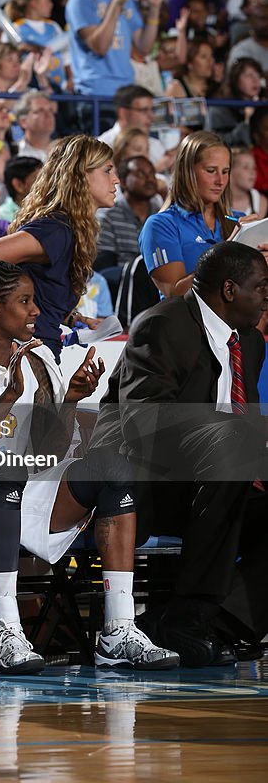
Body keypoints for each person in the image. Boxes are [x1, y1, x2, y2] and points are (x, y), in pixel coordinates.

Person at [0, 262, 179, 671]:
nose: (36, 310)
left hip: (17, 483)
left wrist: (68, 400)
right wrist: (5, 400)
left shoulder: (38, 357)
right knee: (3, 466)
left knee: (109, 466)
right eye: (24, 301)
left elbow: (47, 453)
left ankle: (118, 631)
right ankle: (5, 632)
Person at [89, 241, 268, 665]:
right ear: (229, 290)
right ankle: (189, 614)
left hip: (219, 483)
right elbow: (143, 424)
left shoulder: (251, 343)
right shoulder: (162, 325)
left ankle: (203, 622)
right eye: (261, 286)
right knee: (237, 440)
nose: (267, 295)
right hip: (148, 484)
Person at [0, 136, 118, 361]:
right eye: (108, 170)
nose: (116, 180)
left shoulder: (67, 228)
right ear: (81, 176)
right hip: (27, 357)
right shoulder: (56, 230)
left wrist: (70, 319)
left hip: (38, 352)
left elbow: (37, 289)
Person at [139, 131, 237, 299]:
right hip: (188, 323)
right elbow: (174, 294)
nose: (220, 181)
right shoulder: (161, 225)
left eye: (225, 171)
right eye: (211, 170)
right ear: (187, 172)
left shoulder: (238, 221)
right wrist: (232, 250)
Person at [66, 0, 165, 98]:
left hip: (126, 91)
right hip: (95, 92)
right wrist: (117, 4)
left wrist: (155, 8)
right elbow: (99, 47)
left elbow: (143, 48)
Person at [6, 0, 70, 92]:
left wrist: (71, 78)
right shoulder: (15, 28)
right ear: (34, 3)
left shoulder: (54, 26)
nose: (51, 4)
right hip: (31, 88)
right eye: (47, 0)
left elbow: (67, 56)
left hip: (59, 88)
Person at [210, 57, 266, 145]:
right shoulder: (219, 109)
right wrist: (246, 122)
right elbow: (218, 142)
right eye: (248, 75)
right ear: (236, 80)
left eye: (257, 75)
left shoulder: (263, 106)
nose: (255, 80)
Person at [0, 155, 43, 225]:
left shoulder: (49, 210)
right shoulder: (2, 219)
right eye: (38, 179)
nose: (46, 183)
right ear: (18, 185)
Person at [13, 91, 57, 162]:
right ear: (23, 121)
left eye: (50, 110)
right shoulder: (14, 152)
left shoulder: (64, 151)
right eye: (40, 111)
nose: (48, 115)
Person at [229, 147, 268, 218]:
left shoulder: (261, 202)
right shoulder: (217, 199)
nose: (252, 172)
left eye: (254, 168)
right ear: (230, 170)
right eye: (246, 167)